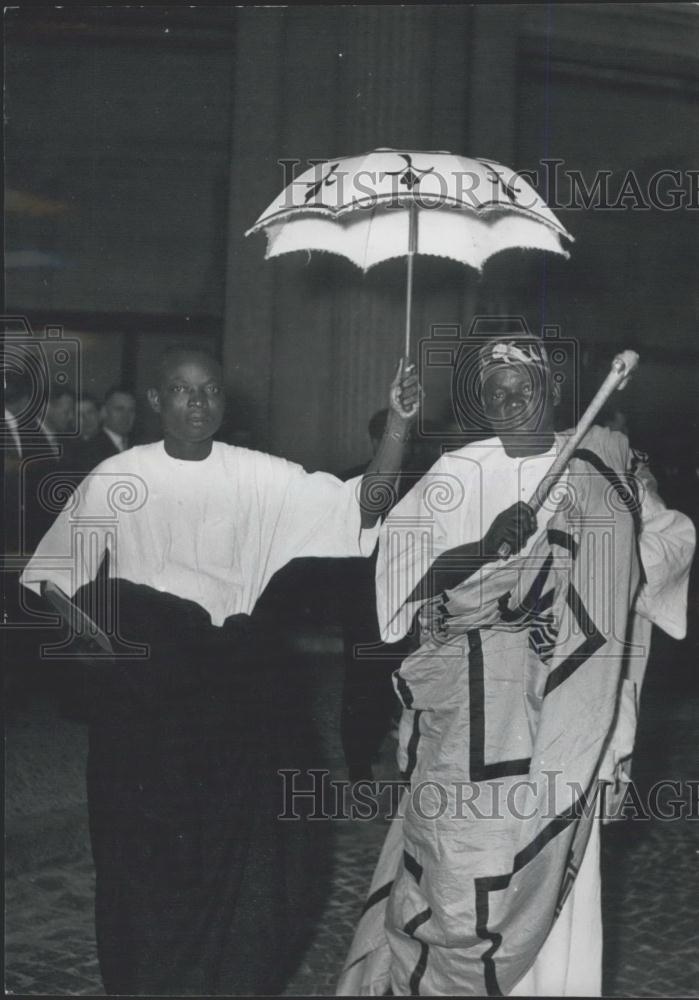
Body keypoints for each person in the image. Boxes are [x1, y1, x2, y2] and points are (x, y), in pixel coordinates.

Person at [20, 345, 419, 996]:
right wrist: (107, 650)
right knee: (144, 863)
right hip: (146, 701)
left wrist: (398, 424)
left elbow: (361, 507)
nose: (197, 403)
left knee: (259, 865)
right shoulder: (118, 476)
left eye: (209, 392)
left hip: (238, 691)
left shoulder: (260, 475)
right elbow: (53, 581)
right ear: (157, 401)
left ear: (222, 402)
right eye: (182, 390)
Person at [338, 334, 694, 996]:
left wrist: (590, 565)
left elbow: (673, 539)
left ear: (552, 393)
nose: (507, 403)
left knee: (551, 868)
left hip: (563, 710)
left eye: (521, 389)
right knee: (455, 870)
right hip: (467, 719)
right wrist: (479, 551)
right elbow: (400, 572)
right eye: (493, 392)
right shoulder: (457, 474)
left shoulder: (600, 468)